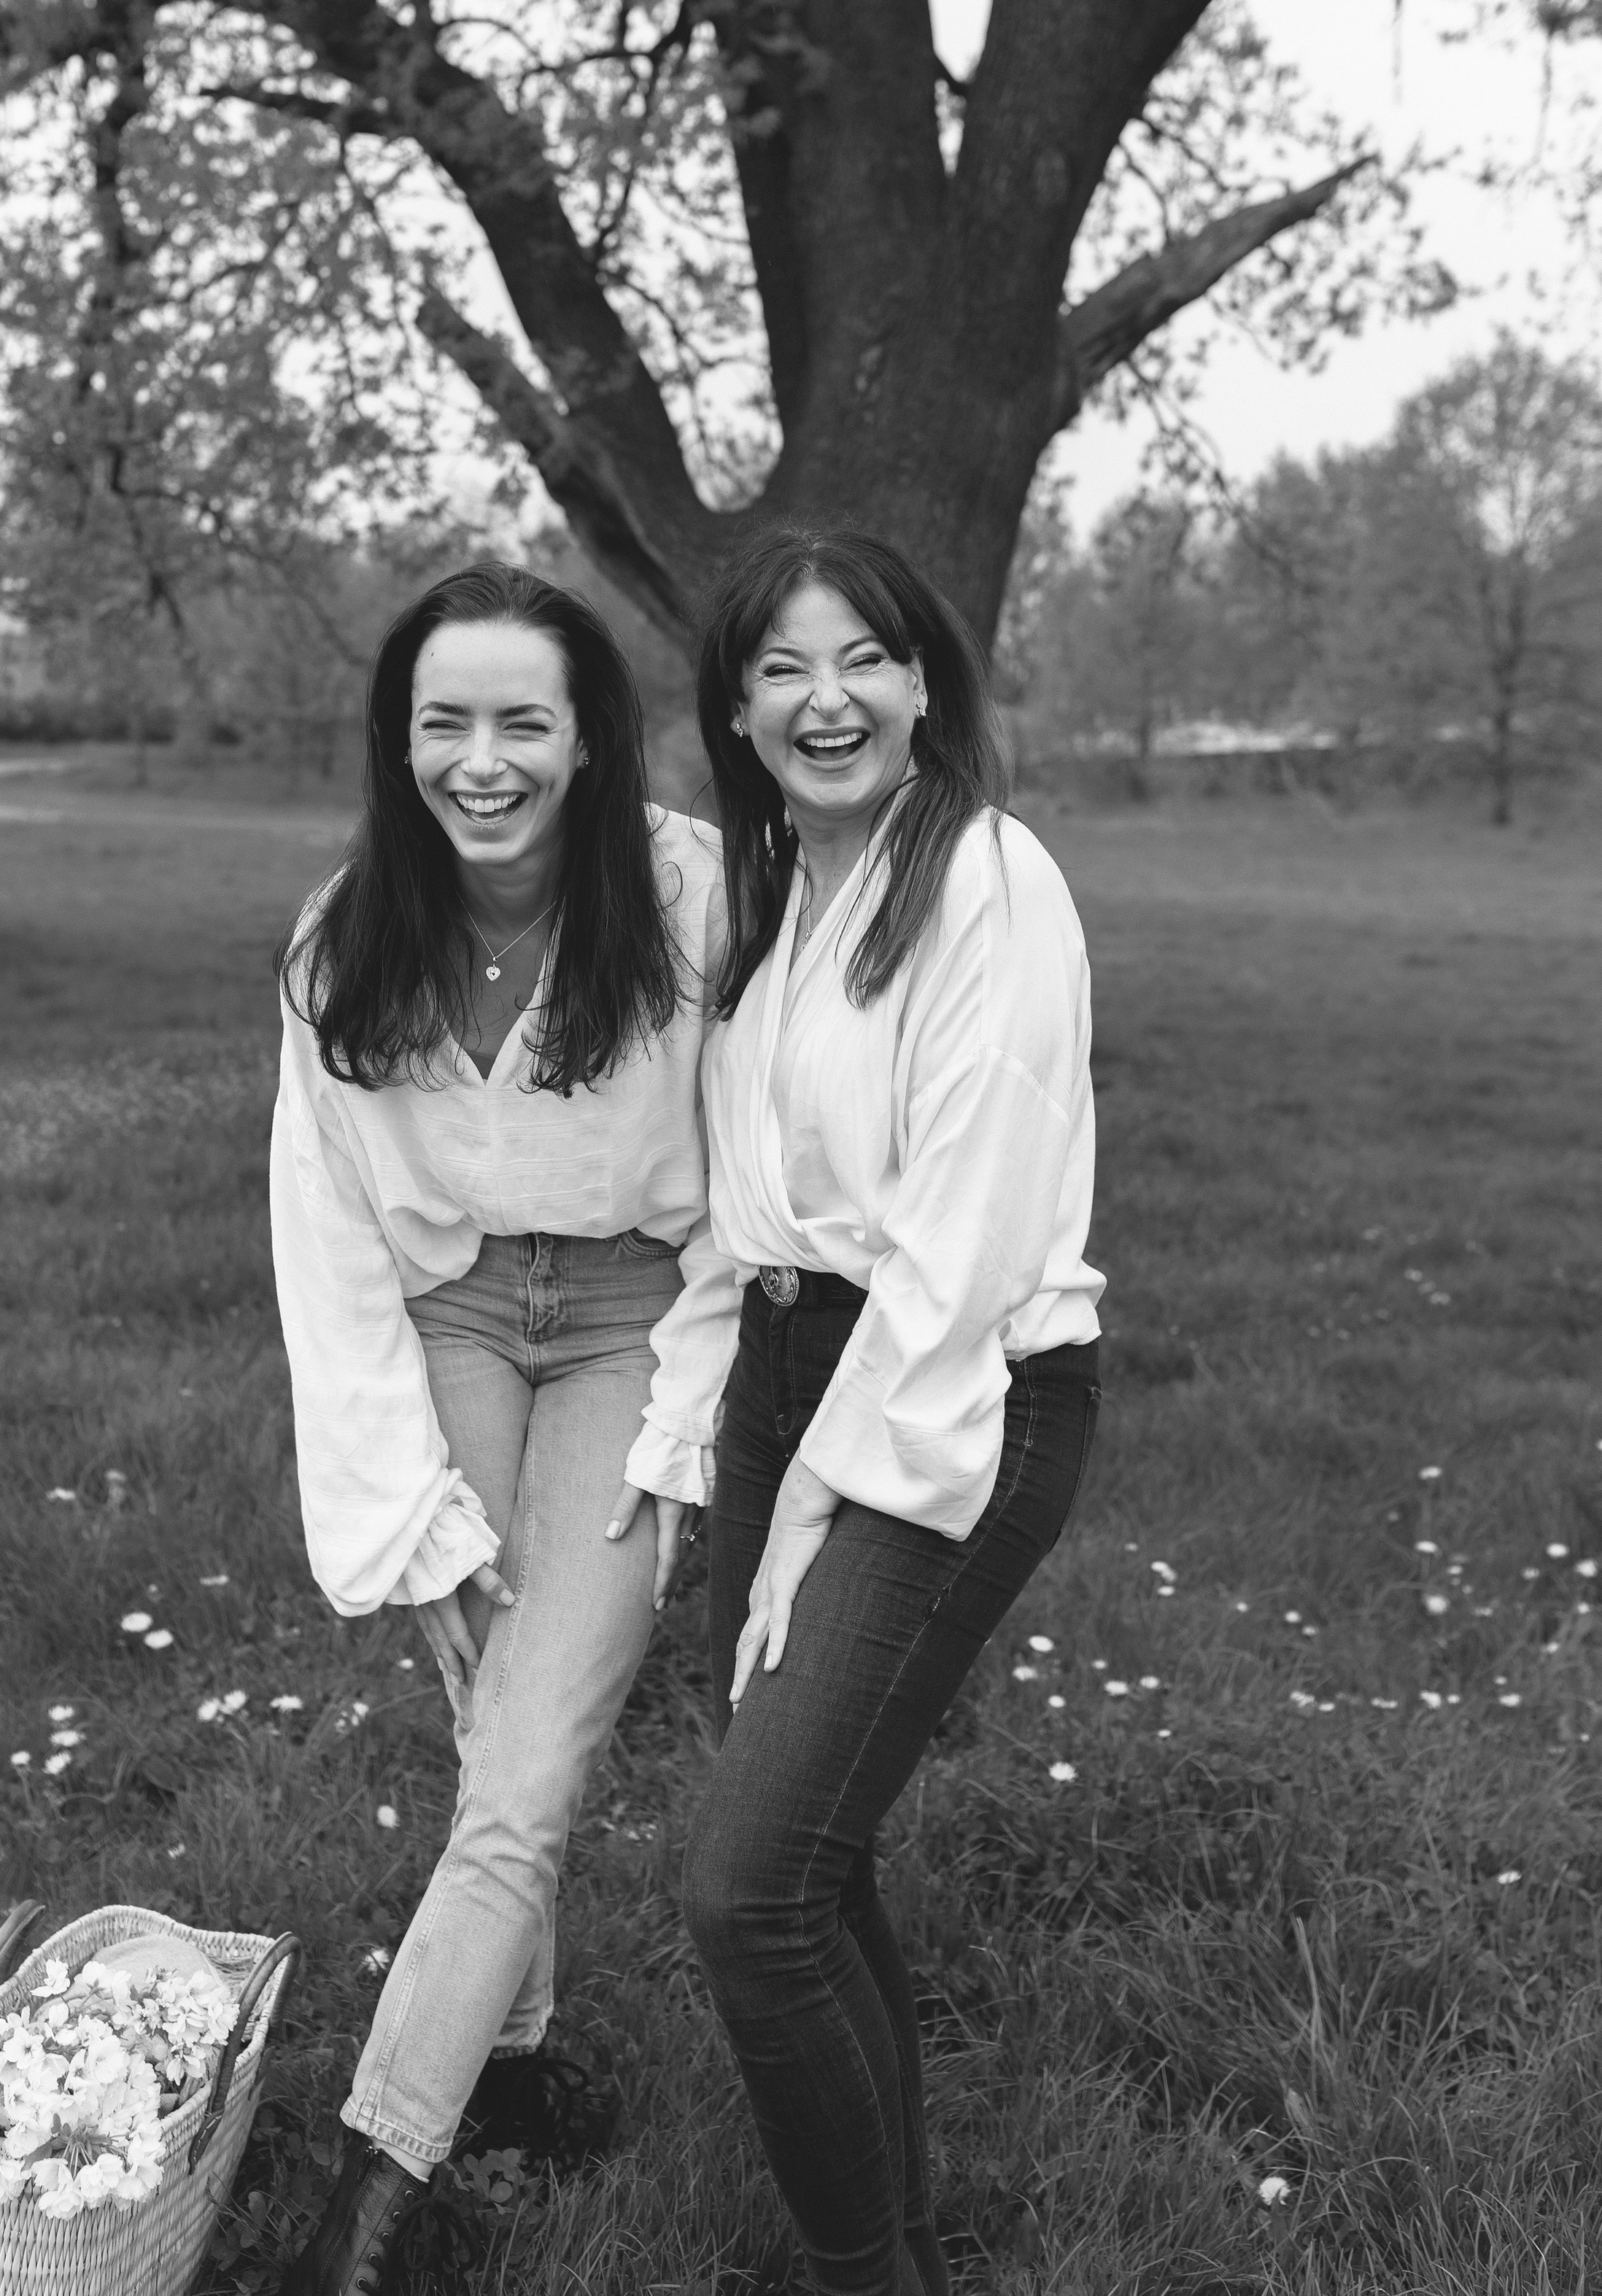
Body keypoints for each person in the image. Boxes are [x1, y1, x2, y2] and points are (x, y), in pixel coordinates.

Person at [638, 527, 1104, 2296]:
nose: (820, 698)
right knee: (809, 1868)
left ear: (922, 685)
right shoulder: (779, 899)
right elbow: (735, 1210)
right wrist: (703, 1445)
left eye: (859, 660)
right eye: (777, 668)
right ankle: (895, 2244)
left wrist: (819, 1502)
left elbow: (962, 1239)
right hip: (784, 1379)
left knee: (744, 1890)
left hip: (948, 1389)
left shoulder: (984, 875)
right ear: (737, 712)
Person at [270, 562, 737, 2296]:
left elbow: (751, 1190)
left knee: (525, 1768)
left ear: (589, 738)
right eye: (443, 721)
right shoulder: (344, 936)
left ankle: (356, 2214)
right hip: (451, 1315)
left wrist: (688, 1413)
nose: (482, 758)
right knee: (492, 1725)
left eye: (520, 718)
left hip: (632, 1312)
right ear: (401, 743)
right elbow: (324, 1237)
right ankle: (516, 2068)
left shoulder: (692, 897)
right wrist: (407, 1505)